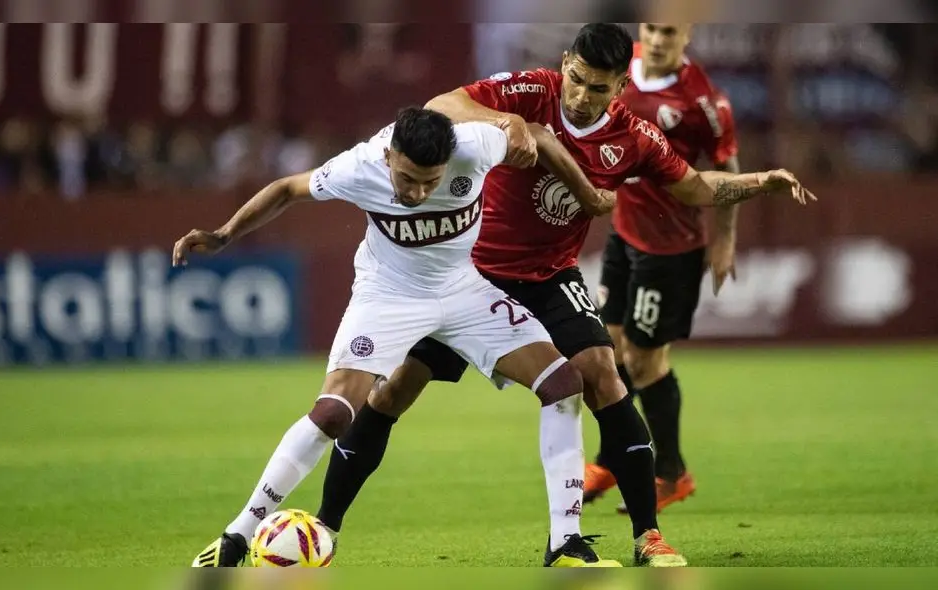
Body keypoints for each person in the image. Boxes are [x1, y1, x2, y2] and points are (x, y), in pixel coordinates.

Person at [314, 23, 815, 568]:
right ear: (565, 62)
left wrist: (761, 180)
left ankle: (648, 536)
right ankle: (324, 527)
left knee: (603, 372)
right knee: (392, 395)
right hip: (467, 276)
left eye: (598, 88)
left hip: (551, 276)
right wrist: (506, 120)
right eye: (575, 79)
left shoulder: (635, 138)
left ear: (621, 87)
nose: (580, 96)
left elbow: (694, 186)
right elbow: (443, 105)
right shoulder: (531, 90)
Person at [179, 106, 624, 568]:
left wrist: (588, 196)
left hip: (463, 288)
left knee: (563, 382)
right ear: (390, 156)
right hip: (388, 296)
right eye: (408, 179)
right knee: (333, 412)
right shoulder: (359, 166)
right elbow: (287, 188)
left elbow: (536, 134)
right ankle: (235, 537)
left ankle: (565, 544)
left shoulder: (473, 147)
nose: (419, 193)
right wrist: (225, 234)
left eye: (431, 182)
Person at [587, 23, 741, 514]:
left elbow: (729, 172)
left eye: (669, 31)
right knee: (608, 354)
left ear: (689, 31)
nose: (656, 40)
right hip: (623, 230)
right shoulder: (618, 66)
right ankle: (612, 459)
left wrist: (725, 239)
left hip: (670, 247)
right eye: (651, 28)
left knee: (645, 361)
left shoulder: (704, 103)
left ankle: (671, 473)